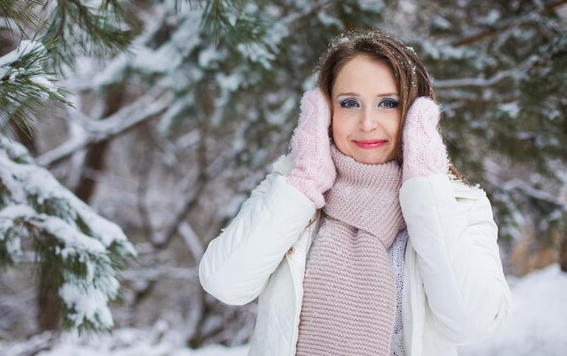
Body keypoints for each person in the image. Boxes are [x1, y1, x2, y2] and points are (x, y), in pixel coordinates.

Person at [198, 30, 512, 356]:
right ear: (325, 111)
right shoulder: (290, 195)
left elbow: (474, 323)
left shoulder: (460, 206)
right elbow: (225, 283)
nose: (367, 123)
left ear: (416, 113)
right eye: (349, 103)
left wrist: (426, 189)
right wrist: (306, 181)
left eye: (388, 103)